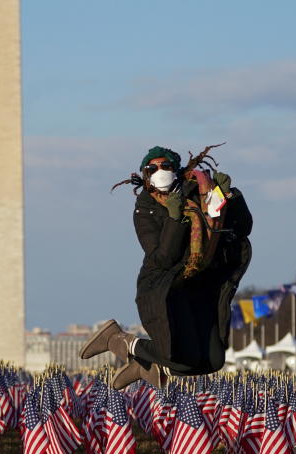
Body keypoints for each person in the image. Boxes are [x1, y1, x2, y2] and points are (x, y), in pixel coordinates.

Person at [81, 144, 252, 389]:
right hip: (164, 288)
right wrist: (175, 219)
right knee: (182, 359)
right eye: (152, 168)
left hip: (199, 288)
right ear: (145, 175)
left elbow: (242, 229)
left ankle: (146, 365)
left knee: (212, 361)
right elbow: (163, 258)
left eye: (166, 166)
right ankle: (117, 340)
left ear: (177, 169)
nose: (160, 171)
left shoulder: (199, 193)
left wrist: (231, 198)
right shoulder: (144, 210)